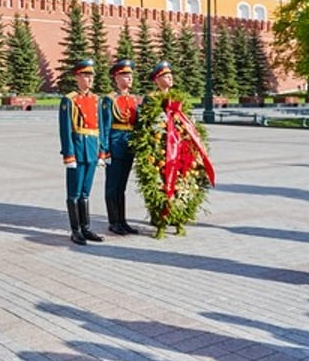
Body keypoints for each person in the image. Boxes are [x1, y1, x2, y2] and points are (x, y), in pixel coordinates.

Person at [131, 61, 215, 239]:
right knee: (159, 183)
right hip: (159, 149)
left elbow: (187, 121)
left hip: (180, 148)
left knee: (181, 183)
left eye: (170, 75)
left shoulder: (178, 97)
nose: (170, 78)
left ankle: (179, 218)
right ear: (157, 79)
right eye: (165, 76)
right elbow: (144, 124)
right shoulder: (151, 99)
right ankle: (159, 219)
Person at [59, 58, 106, 245]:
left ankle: (86, 228)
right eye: (85, 75)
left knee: (86, 192)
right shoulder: (69, 100)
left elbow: (101, 127)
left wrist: (102, 152)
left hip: (92, 150)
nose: (89, 79)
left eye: (91, 75)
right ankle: (75, 229)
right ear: (77, 77)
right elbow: (65, 130)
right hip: (77, 151)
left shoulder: (96, 100)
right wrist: (68, 155)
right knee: (75, 192)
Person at [100, 58, 138, 235]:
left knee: (122, 186)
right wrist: (104, 150)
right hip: (114, 144)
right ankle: (113, 221)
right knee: (112, 185)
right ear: (116, 78)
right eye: (125, 75)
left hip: (129, 145)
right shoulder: (109, 100)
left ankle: (122, 221)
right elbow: (105, 126)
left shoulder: (133, 99)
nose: (129, 78)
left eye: (130, 75)